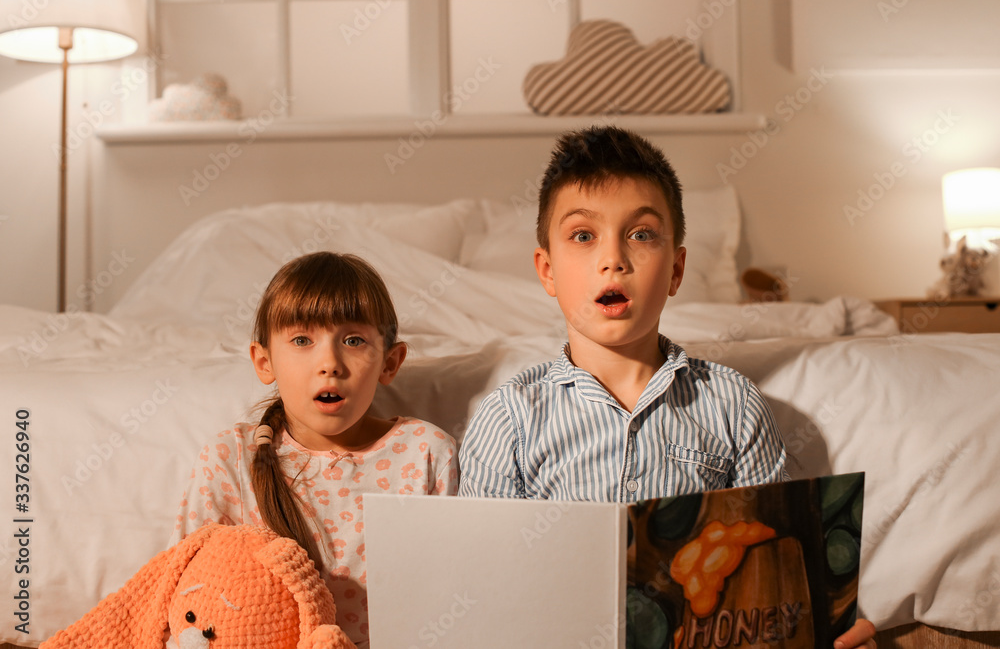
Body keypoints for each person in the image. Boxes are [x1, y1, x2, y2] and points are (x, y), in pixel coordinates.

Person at [458, 125, 876, 649]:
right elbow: (482, 591)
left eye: (641, 234)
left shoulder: (733, 405)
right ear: (547, 271)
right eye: (583, 236)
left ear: (676, 269)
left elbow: (768, 573)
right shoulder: (509, 417)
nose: (614, 259)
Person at [172, 252, 459, 648]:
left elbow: (452, 593)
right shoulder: (231, 459)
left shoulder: (425, 453)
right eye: (302, 340)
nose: (330, 363)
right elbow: (189, 597)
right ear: (263, 361)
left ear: (390, 363)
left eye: (354, 340)